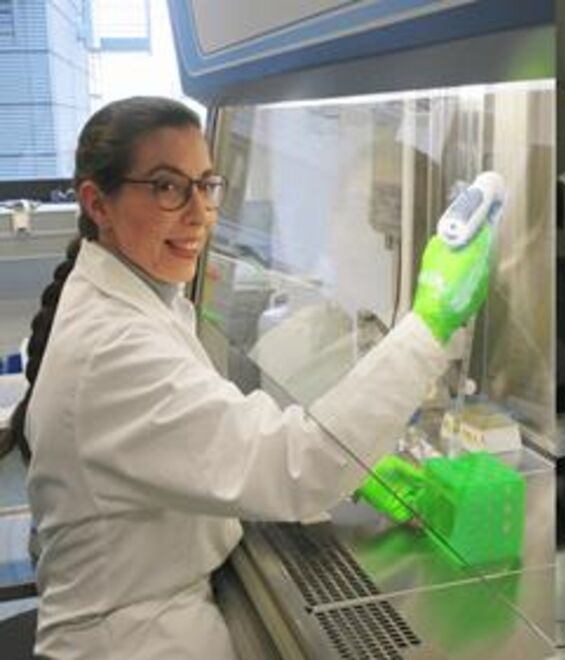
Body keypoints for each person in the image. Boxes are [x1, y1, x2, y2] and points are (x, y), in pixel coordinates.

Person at [10, 96, 493, 659]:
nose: (198, 214)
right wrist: (431, 327)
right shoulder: (113, 348)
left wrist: (359, 471)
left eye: (205, 184)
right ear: (98, 203)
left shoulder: (131, 298)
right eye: (167, 187)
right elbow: (297, 468)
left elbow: (199, 438)